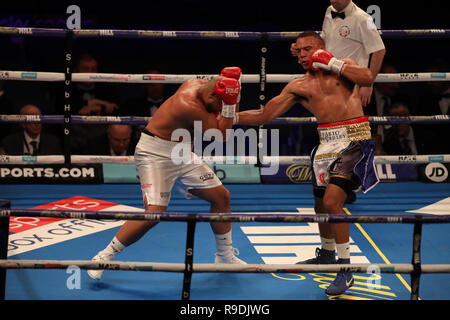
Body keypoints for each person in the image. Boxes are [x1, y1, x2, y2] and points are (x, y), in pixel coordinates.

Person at [237, 31, 379, 295]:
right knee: (318, 204)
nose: (303, 55)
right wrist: (228, 115)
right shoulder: (298, 86)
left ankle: (346, 268)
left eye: (308, 49)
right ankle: (326, 254)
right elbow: (265, 114)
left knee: (332, 202)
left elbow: (368, 78)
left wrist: (332, 62)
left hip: (353, 139)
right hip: (325, 143)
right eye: (299, 51)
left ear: (322, 48)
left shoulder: (344, 66)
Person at [87, 67, 247, 281]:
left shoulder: (203, 86)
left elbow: (221, 105)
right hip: (155, 154)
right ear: (212, 95)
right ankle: (103, 256)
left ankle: (225, 257)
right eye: (221, 102)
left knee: (221, 197)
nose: (222, 107)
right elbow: (221, 135)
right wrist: (229, 105)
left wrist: (232, 88)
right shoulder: (188, 104)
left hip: (181, 152)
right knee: (154, 213)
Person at [290, 0, 386, 107]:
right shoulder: (329, 11)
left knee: (353, 121)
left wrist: (368, 83)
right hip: (329, 80)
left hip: (352, 83)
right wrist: (302, 48)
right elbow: (324, 42)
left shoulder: (364, 18)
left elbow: (379, 50)